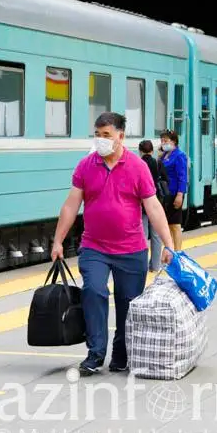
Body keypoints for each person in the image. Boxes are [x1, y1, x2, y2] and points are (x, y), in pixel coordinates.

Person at [51, 113, 174, 376]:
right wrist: (58, 241)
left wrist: (168, 243)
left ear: (121, 136)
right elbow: (71, 205)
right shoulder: (86, 165)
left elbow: (153, 206)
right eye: (97, 134)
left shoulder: (138, 167)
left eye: (106, 135)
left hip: (131, 250)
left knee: (128, 304)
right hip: (94, 247)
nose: (101, 140)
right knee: (94, 292)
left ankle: (121, 353)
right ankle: (95, 354)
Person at [138, 140, 168, 272]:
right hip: (155, 201)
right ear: (152, 151)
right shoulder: (157, 162)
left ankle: (143, 266)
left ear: (140, 151)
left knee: (143, 236)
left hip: (142, 203)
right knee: (156, 236)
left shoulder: (139, 164)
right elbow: (164, 179)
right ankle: (155, 266)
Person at [159, 130, 188, 251]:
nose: (163, 143)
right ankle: (171, 250)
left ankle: (178, 252)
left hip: (175, 193)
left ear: (174, 141)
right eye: (162, 141)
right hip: (166, 194)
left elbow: (183, 176)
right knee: (169, 225)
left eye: (165, 141)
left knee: (175, 225)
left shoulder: (179, 155)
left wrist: (180, 194)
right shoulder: (164, 155)